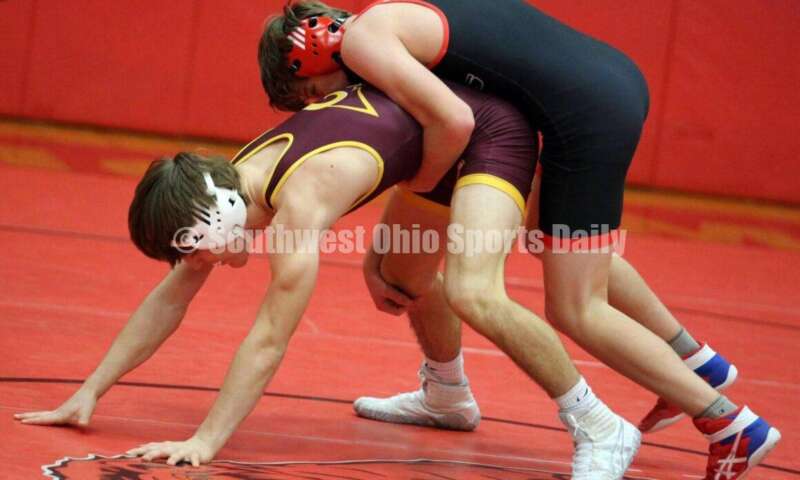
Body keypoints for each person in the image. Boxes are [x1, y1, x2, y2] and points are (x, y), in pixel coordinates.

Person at [258, 1, 781, 477]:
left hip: (588, 115)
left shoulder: (363, 40)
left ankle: (728, 423)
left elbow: (454, 120)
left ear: (309, 56)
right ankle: (693, 360)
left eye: (307, 93)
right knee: (549, 244)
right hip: (599, 85)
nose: (320, 103)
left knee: (576, 306)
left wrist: (418, 184)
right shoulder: (386, 23)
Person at [14, 83, 640, 478]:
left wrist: (206, 441)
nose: (197, 266)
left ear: (216, 219)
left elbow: (267, 341)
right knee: (406, 272)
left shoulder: (297, 208)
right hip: (439, 138)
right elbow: (171, 294)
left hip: (483, 132)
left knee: (498, 283)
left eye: (197, 253)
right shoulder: (229, 183)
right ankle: (448, 396)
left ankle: (599, 423)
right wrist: (91, 390)